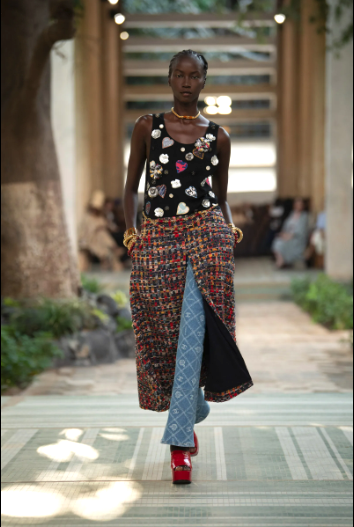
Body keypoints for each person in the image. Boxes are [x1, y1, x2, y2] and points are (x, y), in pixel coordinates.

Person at [123, 50, 253, 485]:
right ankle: (192, 406)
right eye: (179, 74)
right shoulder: (147, 127)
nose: (185, 82)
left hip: (206, 236)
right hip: (158, 237)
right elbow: (131, 188)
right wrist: (130, 231)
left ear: (203, 81)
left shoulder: (218, 137)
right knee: (161, 327)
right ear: (169, 79)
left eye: (193, 75)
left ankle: (180, 445)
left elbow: (221, 197)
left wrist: (230, 228)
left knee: (197, 328)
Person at [78, 190, 124, 271]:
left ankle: (111, 252)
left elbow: (107, 226)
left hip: (100, 240)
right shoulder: (87, 218)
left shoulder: (100, 217)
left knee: (102, 234)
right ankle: (113, 248)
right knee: (101, 234)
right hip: (91, 240)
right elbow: (84, 233)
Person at [272, 198, 309, 269]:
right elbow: (286, 226)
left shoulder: (304, 216)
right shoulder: (292, 214)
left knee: (281, 243)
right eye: (297, 204)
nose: (298, 206)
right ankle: (280, 260)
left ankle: (282, 262)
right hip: (288, 235)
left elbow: (302, 231)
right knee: (277, 241)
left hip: (297, 238)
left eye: (300, 204)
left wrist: (290, 235)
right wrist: (284, 234)